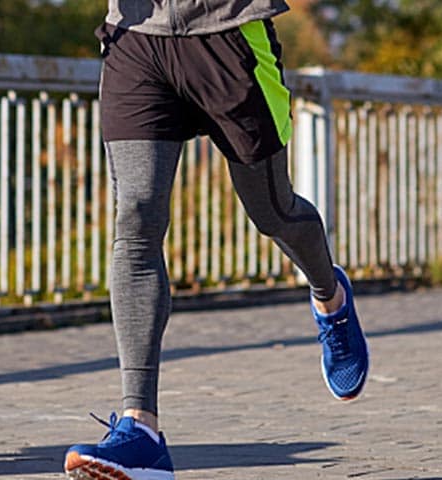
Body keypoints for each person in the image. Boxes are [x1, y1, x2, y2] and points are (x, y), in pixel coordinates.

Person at [63, 2, 370, 479]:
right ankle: (140, 428)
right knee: (137, 217)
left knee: (272, 211)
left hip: (228, 31)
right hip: (136, 36)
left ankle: (330, 296)